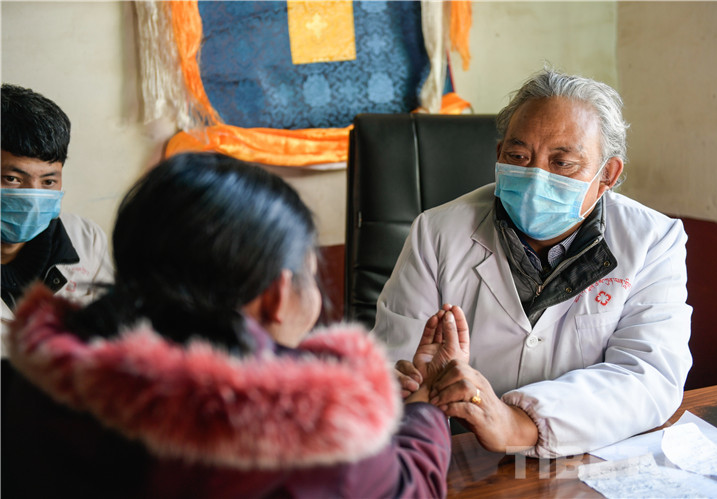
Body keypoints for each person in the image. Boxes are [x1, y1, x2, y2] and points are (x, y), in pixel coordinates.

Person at [3, 152, 463, 498]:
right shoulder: (303, 426)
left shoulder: (31, 383)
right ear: (277, 295)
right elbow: (405, 490)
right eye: (309, 271)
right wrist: (427, 407)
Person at [375, 68, 692, 458]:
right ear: (499, 156)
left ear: (607, 175)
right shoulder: (437, 232)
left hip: (587, 458)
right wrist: (415, 389)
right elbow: (397, 363)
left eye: (562, 163)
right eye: (518, 156)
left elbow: (648, 377)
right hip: (461, 455)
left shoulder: (652, 241)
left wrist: (515, 424)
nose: (536, 177)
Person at [1, 84, 113, 353]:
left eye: (49, 181)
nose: (33, 197)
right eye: (13, 179)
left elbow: (111, 334)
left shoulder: (86, 240)